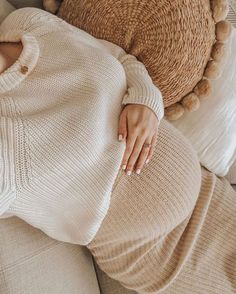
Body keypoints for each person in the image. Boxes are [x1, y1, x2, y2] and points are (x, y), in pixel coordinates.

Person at [0, 7, 235, 294]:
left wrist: (146, 99)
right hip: (166, 257)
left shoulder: (28, 23)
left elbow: (119, 58)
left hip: (210, 196)